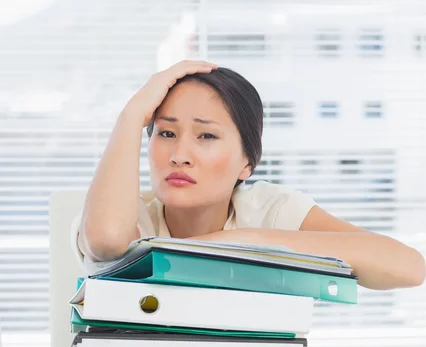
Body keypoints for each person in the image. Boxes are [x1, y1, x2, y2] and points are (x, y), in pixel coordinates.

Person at [72, 60, 425, 290]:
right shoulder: (124, 213)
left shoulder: (269, 210)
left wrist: (249, 241)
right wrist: (132, 115)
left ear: (247, 164)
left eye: (206, 136)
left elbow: (408, 267)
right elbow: (106, 241)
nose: (179, 156)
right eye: (165, 133)